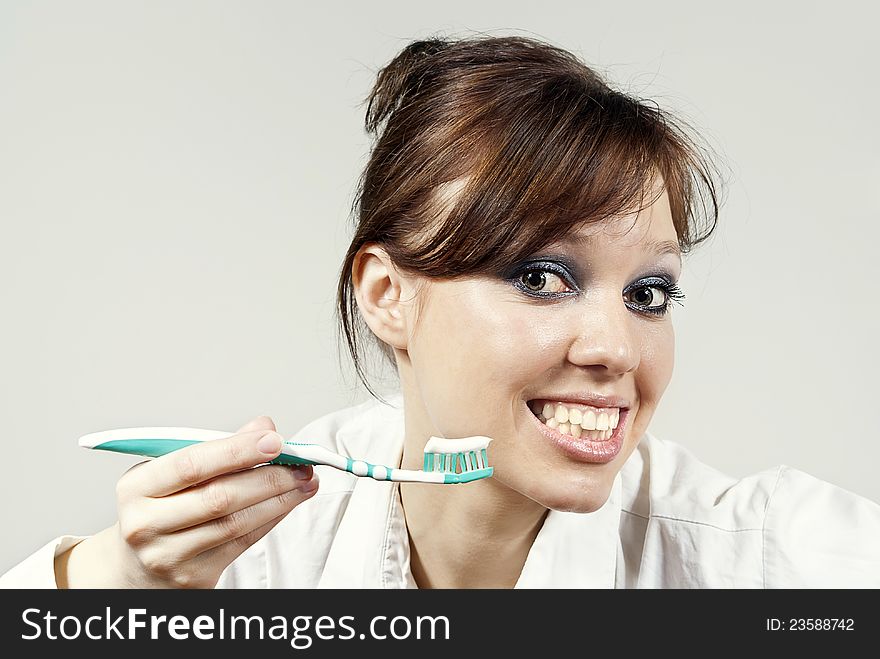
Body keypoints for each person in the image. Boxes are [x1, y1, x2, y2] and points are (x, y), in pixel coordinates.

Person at [2, 34, 878, 589]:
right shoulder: (265, 559)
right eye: (542, 276)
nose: (617, 346)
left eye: (648, 294)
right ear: (388, 295)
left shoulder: (762, 560)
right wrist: (109, 583)